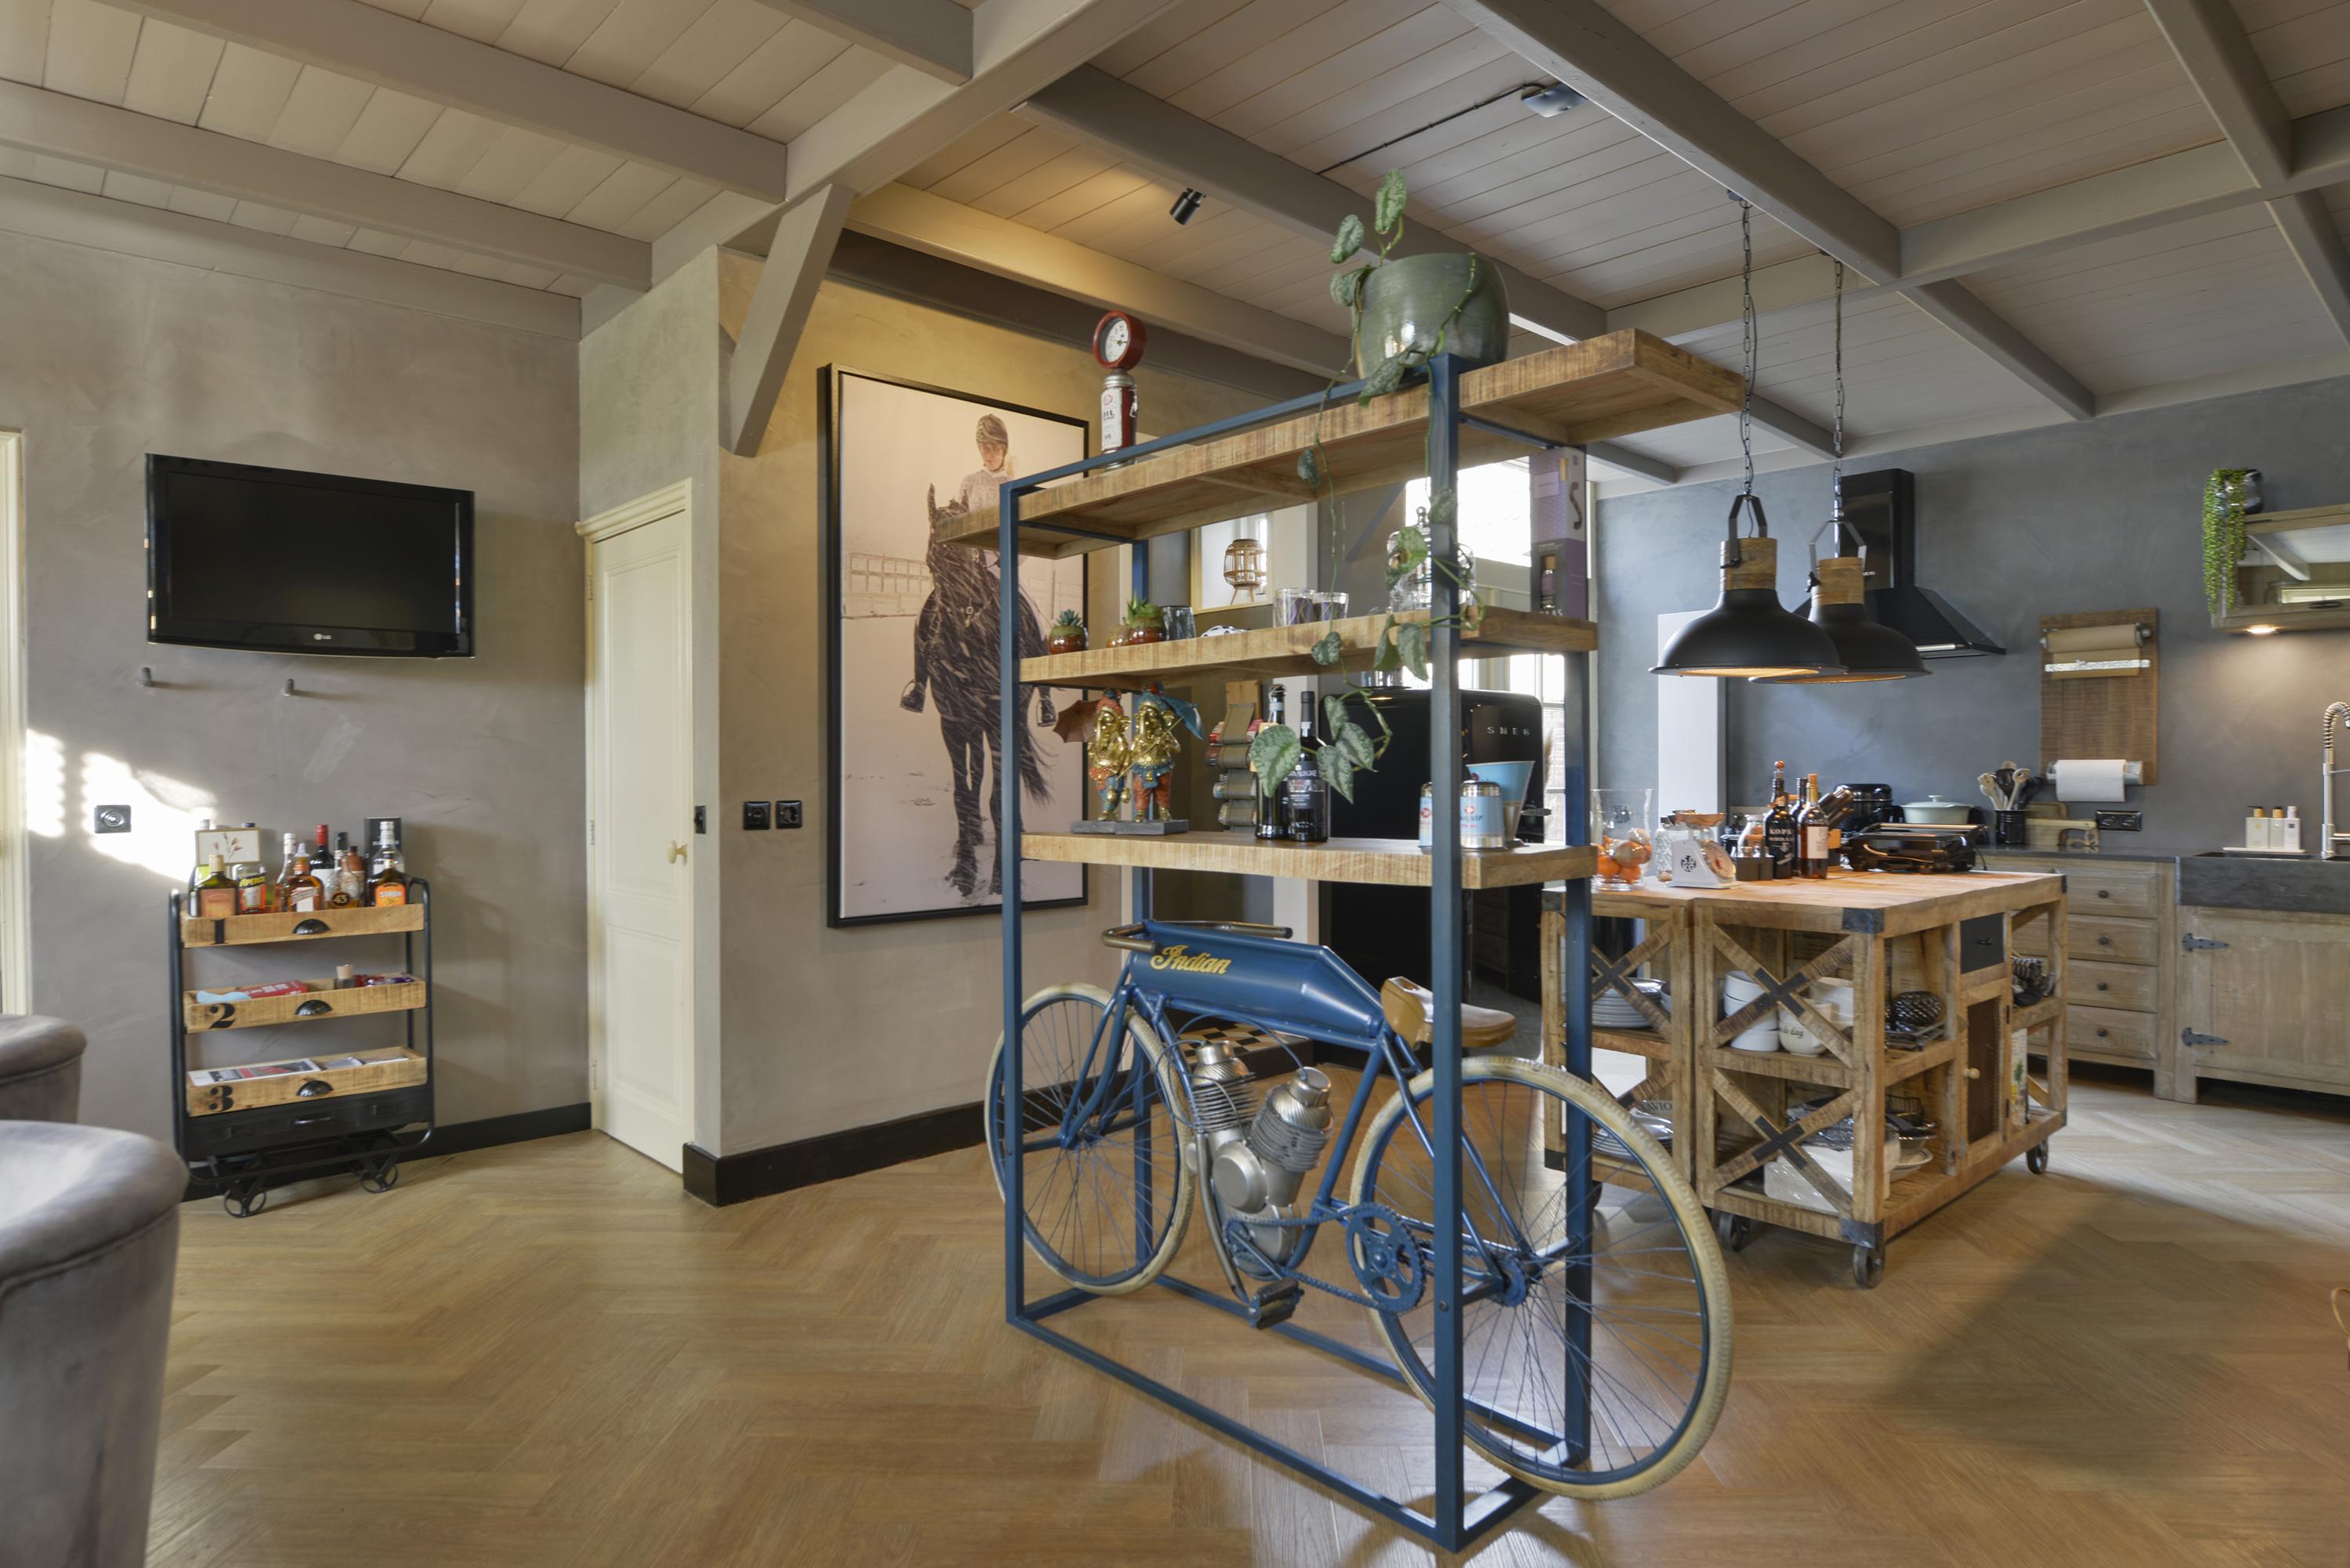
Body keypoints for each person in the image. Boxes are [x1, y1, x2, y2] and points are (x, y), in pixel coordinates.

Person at [904, 414, 1018, 714]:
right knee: (925, 614)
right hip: (968, 566)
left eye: (994, 447)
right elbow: (957, 520)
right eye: (984, 447)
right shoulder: (970, 481)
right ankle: (919, 686)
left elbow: (1020, 529)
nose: (989, 453)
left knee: (1028, 610)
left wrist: (1006, 559)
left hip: (1000, 565)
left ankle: (1043, 695)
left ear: (1004, 448)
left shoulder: (1013, 485)